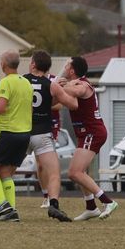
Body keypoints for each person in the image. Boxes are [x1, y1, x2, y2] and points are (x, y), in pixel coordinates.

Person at [24, 50, 79, 222]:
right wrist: (68, 89)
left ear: (33, 64)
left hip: (21, 132)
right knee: (54, 173)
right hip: (42, 133)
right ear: (48, 67)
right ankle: (53, 204)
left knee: (3, 171)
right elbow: (73, 105)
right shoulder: (51, 84)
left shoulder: (21, 80)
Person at [61, 56, 117, 221]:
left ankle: (108, 201)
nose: (64, 67)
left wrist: (61, 86)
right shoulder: (72, 83)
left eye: (67, 65)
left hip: (92, 132)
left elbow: (78, 91)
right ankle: (91, 207)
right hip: (85, 133)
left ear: (72, 70)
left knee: (74, 172)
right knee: (80, 172)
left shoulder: (83, 84)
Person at [0, 50, 34, 223]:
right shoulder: (26, 82)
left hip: (7, 132)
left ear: (3, 64)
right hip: (24, 134)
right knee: (5, 171)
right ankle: (11, 211)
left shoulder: (5, 82)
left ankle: (2, 203)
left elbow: (0, 108)